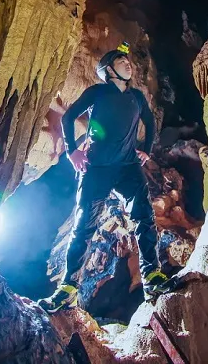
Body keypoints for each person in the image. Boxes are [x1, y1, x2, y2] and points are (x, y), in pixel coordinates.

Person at [39, 43, 175, 313]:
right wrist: (72, 152)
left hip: (127, 167)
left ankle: (151, 277)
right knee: (83, 228)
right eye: (122, 61)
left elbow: (149, 123)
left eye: (129, 61)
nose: (129, 64)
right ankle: (68, 288)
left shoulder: (136, 97)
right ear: (108, 69)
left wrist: (145, 152)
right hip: (96, 168)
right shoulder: (97, 92)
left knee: (144, 218)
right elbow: (68, 119)